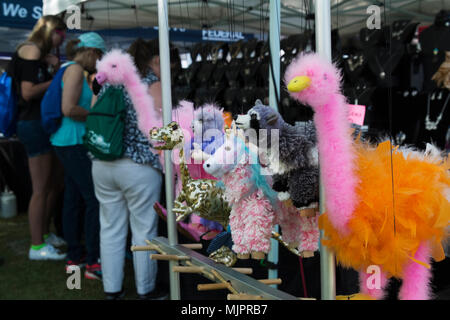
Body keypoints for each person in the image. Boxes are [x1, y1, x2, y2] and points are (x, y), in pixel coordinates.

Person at [91, 38, 165, 300]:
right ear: (155, 60)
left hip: (102, 162)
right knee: (144, 229)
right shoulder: (150, 83)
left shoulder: (109, 80)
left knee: (110, 228)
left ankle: (113, 290)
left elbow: (94, 113)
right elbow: (160, 126)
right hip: (139, 166)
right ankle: (147, 290)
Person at [10, 15, 67, 260]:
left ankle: (43, 235)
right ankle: (36, 246)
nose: (61, 42)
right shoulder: (31, 51)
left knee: (53, 184)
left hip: (41, 123)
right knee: (41, 188)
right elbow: (28, 91)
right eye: (60, 35)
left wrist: (53, 66)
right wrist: (57, 79)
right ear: (50, 31)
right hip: (33, 124)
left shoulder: (38, 54)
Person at [51, 32, 105, 280]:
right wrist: (94, 115)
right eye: (100, 56)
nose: (100, 62)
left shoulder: (70, 69)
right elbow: (68, 109)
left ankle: (75, 255)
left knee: (73, 198)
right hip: (72, 141)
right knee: (93, 198)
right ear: (92, 52)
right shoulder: (73, 69)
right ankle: (93, 261)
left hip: (68, 141)